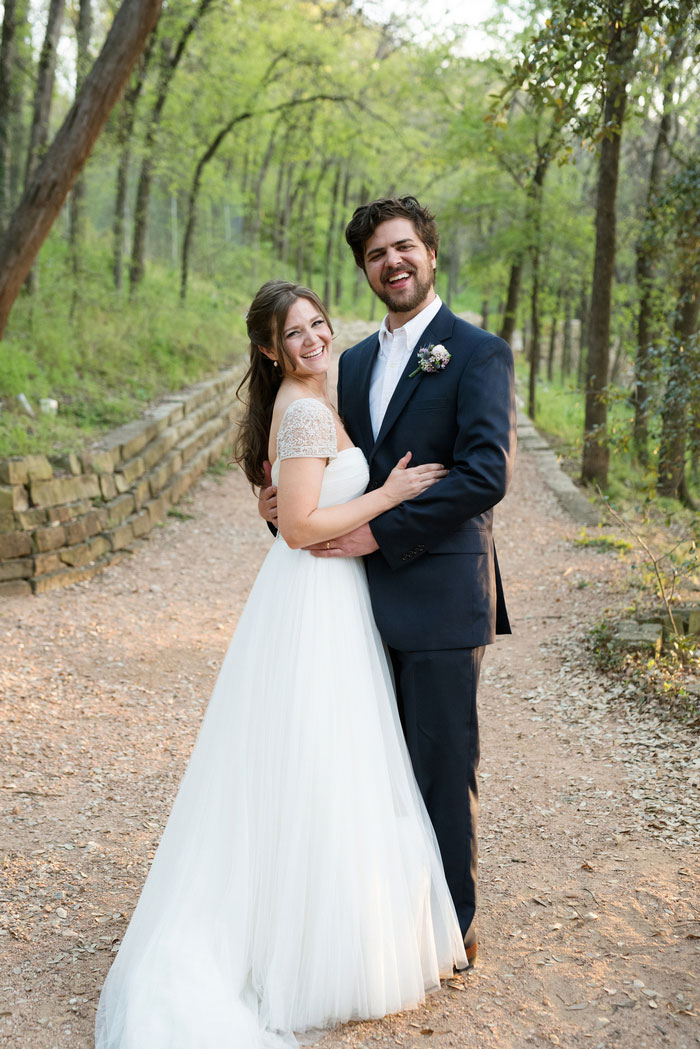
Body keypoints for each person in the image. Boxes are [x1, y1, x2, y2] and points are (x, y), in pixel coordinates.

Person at [95, 279, 467, 1049]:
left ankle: (317, 920)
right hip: (313, 595)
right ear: (269, 348)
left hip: (327, 598)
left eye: (318, 323)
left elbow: (290, 506)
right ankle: (298, 942)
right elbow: (299, 526)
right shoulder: (301, 411)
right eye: (293, 333)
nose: (312, 339)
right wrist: (389, 493)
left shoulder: (317, 400)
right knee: (316, 755)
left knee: (320, 757)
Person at [259, 197, 517, 966]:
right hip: (356, 601)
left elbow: (484, 473)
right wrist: (278, 506)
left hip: (441, 594)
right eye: (376, 255)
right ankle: (382, 927)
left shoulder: (477, 352)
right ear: (365, 271)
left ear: (430, 254)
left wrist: (380, 529)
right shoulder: (355, 362)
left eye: (403, 248)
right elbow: (328, 470)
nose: (392, 263)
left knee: (441, 764)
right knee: (368, 767)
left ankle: (449, 931)